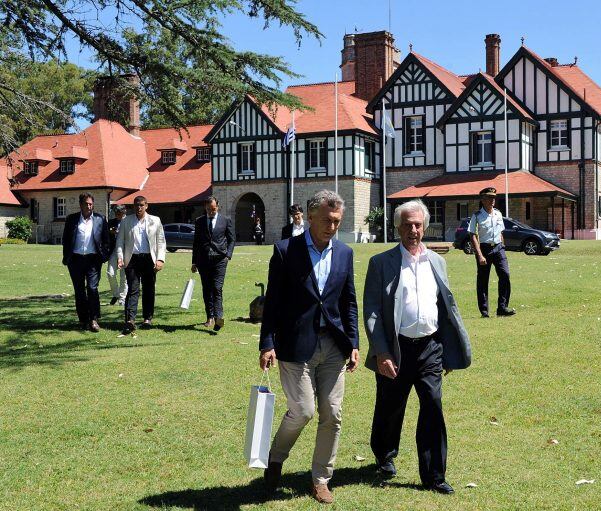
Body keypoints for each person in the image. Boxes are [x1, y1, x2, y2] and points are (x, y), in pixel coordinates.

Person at [364, 199, 471, 495]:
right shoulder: (381, 263)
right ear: (397, 227)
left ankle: (435, 475)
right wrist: (382, 351)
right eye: (408, 224)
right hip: (396, 349)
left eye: (418, 224)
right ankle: (384, 455)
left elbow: (446, 309)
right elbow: (372, 311)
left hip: (430, 349)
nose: (413, 230)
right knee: (390, 407)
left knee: (433, 406)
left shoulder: (438, 262)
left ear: (424, 226)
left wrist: (448, 350)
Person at [259, 190, 358, 504]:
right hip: (295, 344)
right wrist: (267, 343)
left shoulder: (344, 253)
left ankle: (320, 479)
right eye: (328, 221)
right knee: (303, 410)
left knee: (333, 413)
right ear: (311, 217)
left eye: (337, 222)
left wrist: (353, 343)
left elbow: (348, 302)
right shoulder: (286, 251)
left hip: (333, 346)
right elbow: (272, 301)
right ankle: (276, 457)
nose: (332, 227)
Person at [116, 196, 166, 335]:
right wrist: (120, 258)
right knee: (133, 289)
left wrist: (160, 259)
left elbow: (161, 242)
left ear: (146, 206)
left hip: (149, 259)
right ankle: (130, 320)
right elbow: (120, 242)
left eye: (141, 205)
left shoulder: (155, 220)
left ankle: (147, 319)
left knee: (149, 289)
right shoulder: (126, 221)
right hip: (132, 259)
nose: (139, 208)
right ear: (133, 206)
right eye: (136, 205)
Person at [61, 192, 111, 332]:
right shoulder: (72, 219)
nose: (89, 206)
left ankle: (94, 319)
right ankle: (83, 320)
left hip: (93, 260)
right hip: (76, 260)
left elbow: (106, 240)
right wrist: (67, 257)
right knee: (79, 291)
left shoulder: (100, 219)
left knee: (92, 289)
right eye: (86, 204)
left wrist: (104, 256)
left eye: (91, 204)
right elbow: (66, 239)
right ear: (80, 205)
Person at [468, 187, 516, 318]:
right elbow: (473, 235)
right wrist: (479, 255)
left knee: (505, 275)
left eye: (494, 197)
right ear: (482, 199)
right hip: (484, 249)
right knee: (483, 281)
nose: (492, 200)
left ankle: (502, 307)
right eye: (489, 197)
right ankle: (484, 311)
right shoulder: (476, 216)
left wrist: (503, 246)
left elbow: (501, 231)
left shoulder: (498, 214)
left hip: (499, 248)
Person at [191, 196, 235, 331]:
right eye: (209, 209)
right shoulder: (199, 221)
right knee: (207, 288)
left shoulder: (225, 220)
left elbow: (232, 239)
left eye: (214, 209)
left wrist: (228, 255)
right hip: (203, 260)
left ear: (218, 206)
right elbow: (196, 243)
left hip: (220, 259)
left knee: (217, 288)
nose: (211, 211)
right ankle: (209, 316)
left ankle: (218, 317)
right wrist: (194, 262)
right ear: (205, 207)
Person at [106, 205, 128, 306]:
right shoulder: (111, 222)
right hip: (114, 250)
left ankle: (122, 298)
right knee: (110, 273)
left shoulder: (129, 222)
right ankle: (116, 294)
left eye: (120, 213)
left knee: (124, 276)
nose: (117, 215)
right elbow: (104, 234)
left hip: (126, 251)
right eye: (116, 214)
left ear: (124, 213)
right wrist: (110, 232)